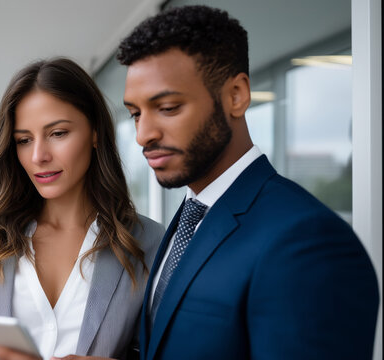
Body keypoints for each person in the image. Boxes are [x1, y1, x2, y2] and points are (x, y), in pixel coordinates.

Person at [116, 5, 380, 360]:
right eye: (135, 114)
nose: (143, 134)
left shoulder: (307, 242)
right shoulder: (191, 217)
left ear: (236, 95)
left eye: (168, 107)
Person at [0, 58, 165, 360]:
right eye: (24, 140)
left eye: (58, 133)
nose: (38, 156)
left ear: (94, 132)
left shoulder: (149, 242)